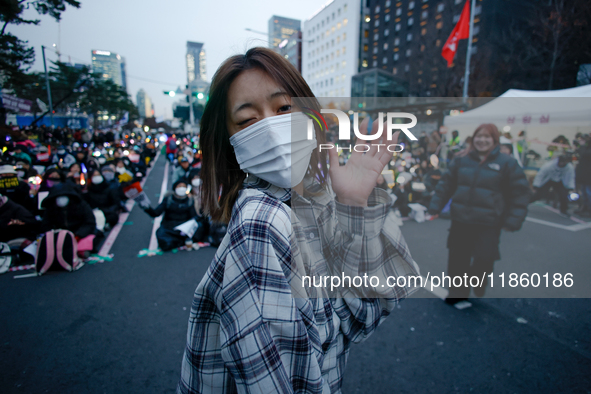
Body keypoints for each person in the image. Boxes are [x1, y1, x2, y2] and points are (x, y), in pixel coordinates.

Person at [177, 47, 419, 394]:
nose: (273, 129)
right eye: (248, 120)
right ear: (230, 142)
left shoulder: (310, 204)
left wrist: (353, 205)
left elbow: (358, 317)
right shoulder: (261, 224)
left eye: (283, 108)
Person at [428, 124, 530, 305]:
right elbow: (445, 186)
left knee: (485, 258)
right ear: (473, 138)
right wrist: (435, 207)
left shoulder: (507, 163)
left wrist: (513, 220)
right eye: (478, 136)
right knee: (458, 260)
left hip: (489, 222)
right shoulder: (461, 160)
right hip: (461, 220)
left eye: (487, 137)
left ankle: (479, 280)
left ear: (494, 140)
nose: (482, 140)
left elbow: (520, 193)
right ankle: (457, 292)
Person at [139, 179, 204, 251]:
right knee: (161, 234)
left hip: (184, 228)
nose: (182, 188)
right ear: (175, 188)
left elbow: (193, 216)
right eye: (179, 186)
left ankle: (181, 240)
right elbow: (156, 213)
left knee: (200, 226)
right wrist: (147, 208)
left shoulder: (189, 200)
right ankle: (180, 241)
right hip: (169, 227)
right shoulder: (168, 199)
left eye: (183, 186)